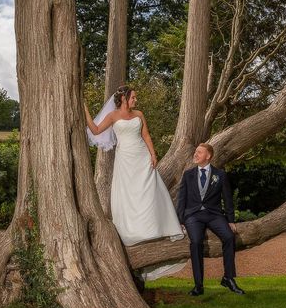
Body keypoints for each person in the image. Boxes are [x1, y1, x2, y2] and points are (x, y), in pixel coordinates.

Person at [84, 85, 185, 280]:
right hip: (125, 159)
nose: (135, 100)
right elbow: (96, 130)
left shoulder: (139, 114)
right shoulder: (113, 116)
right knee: (129, 194)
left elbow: (146, 135)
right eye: (133, 97)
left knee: (148, 192)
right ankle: (134, 232)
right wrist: (86, 110)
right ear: (123, 98)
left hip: (141, 156)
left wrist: (153, 154)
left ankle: (155, 228)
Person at [177, 143, 245, 296]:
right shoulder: (188, 175)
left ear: (208, 156)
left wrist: (230, 220)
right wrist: (180, 220)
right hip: (193, 215)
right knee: (195, 242)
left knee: (228, 236)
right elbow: (182, 199)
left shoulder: (219, 175)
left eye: (199, 152)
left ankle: (228, 277)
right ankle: (198, 285)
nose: (196, 154)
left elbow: (227, 199)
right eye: (196, 152)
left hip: (214, 214)